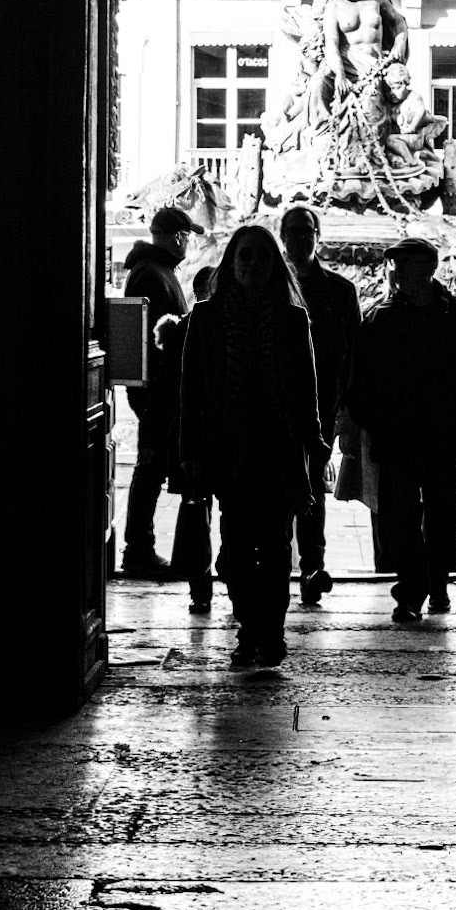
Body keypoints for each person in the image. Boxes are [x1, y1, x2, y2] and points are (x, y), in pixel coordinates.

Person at [179, 224, 327, 668]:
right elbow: (192, 390)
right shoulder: (205, 318)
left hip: (278, 450)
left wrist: (314, 442)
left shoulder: (291, 318)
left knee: (277, 546)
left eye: (262, 258)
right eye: (245, 257)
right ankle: (249, 625)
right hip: (229, 448)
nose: (253, 266)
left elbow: (306, 387)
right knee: (235, 550)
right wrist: (189, 449)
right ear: (232, 262)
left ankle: (270, 633)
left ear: (274, 266)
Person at [346, 238, 456, 621]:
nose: (396, 275)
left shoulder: (385, 317)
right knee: (411, 515)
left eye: (401, 267)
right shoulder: (454, 315)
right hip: (414, 435)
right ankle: (419, 588)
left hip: (426, 435)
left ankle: (433, 583)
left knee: (434, 514)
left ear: (423, 269)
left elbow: (359, 378)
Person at [277, 206, 361, 606]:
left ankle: (312, 565)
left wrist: (348, 409)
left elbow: (354, 356)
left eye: (305, 231)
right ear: (283, 236)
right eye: (292, 231)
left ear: (317, 235)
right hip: (275, 403)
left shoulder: (340, 292)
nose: (299, 238)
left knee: (313, 487)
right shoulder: (271, 287)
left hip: (322, 405)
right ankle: (279, 566)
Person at [118, 204, 200, 579]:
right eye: (187, 235)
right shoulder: (153, 275)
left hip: (161, 388)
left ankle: (142, 547)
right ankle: (139, 549)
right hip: (159, 391)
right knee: (150, 467)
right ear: (177, 236)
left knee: (153, 467)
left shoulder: (153, 271)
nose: (189, 242)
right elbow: (152, 340)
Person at [153, 266, 215, 612]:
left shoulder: (181, 329)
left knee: (196, 512)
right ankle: (210, 585)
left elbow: (166, 391)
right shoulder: (204, 329)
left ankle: (200, 588)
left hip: (190, 434)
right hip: (200, 434)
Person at [313, 0, 410, 123]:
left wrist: (400, 43)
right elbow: (332, 43)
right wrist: (340, 74)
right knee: (318, 83)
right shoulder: (334, 6)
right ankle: (321, 130)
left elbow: (398, 22)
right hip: (346, 62)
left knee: (372, 107)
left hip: (375, 65)